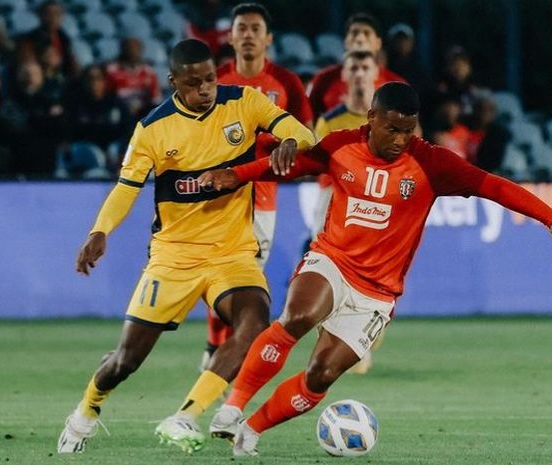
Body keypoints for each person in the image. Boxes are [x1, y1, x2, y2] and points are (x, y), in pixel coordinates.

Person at [197, 82, 552, 457]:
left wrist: (551, 218)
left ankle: (251, 430)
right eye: (392, 129)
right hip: (331, 261)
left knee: (320, 374)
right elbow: (291, 164)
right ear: (371, 117)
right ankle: (232, 408)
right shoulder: (341, 145)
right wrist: (236, 175)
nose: (400, 139)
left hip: (377, 294)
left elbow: (493, 186)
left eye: (408, 130)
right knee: (298, 315)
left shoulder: (431, 163)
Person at [56, 38, 315, 455]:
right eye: (194, 83)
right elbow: (126, 189)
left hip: (232, 252)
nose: (205, 89)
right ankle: (85, 412)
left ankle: (186, 415)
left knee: (254, 322)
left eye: (210, 79)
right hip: (173, 256)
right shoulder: (153, 129)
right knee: (126, 360)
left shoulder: (243, 103)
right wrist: (99, 231)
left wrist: (289, 141)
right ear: (173, 81)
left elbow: (301, 132)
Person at [199, 2, 314, 379]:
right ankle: (216, 351)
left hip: (262, 200)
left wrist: (281, 150)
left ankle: (220, 359)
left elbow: (305, 139)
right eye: (241, 28)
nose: (248, 35)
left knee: (244, 286)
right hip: (218, 198)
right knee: (217, 280)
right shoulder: (212, 81)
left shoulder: (287, 84)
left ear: (269, 39)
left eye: (255, 29)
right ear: (230, 37)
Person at [313, 49, 379, 375]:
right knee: (328, 275)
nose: (358, 73)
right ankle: (334, 344)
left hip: (378, 205)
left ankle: (360, 342)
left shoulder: (389, 119)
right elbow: (319, 164)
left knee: (373, 281)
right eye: (352, 67)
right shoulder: (330, 121)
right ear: (343, 75)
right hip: (334, 201)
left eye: (364, 67)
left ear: (375, 72)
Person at [307, 13, 405, 119]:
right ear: (345, 42)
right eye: (354, 33)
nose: (360, 39)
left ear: (378, 43)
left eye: (366, 34)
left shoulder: (396, 85)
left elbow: (412, 128)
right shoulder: (323, 79)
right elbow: (308, 122)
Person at [105, 37, 161, 120]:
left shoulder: (149, 72)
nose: (132, 51)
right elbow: (107, 96)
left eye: (135, 48)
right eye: (129, 48)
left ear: (141, 50)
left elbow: (155, 98)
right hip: (120, 112)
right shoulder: (112, 71)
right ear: (122, 49)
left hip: (143, 112)